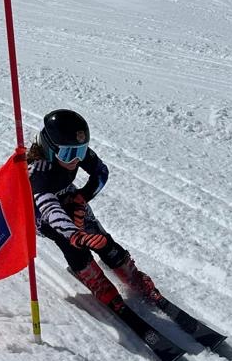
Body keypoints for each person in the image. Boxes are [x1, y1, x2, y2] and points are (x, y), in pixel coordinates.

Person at [27, 109, 159, 313]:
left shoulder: (74, 155)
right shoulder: (38, 172)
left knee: (98, 235)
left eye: (81, 151)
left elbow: (101, 172)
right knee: (71, 243)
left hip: (66, 196)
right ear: (50, 148)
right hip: (40, 215)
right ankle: (94, 279)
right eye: (68, 154)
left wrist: (81, 198)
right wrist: (75, 235)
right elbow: (49, 209)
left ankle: (131, 274)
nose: (76, 159)